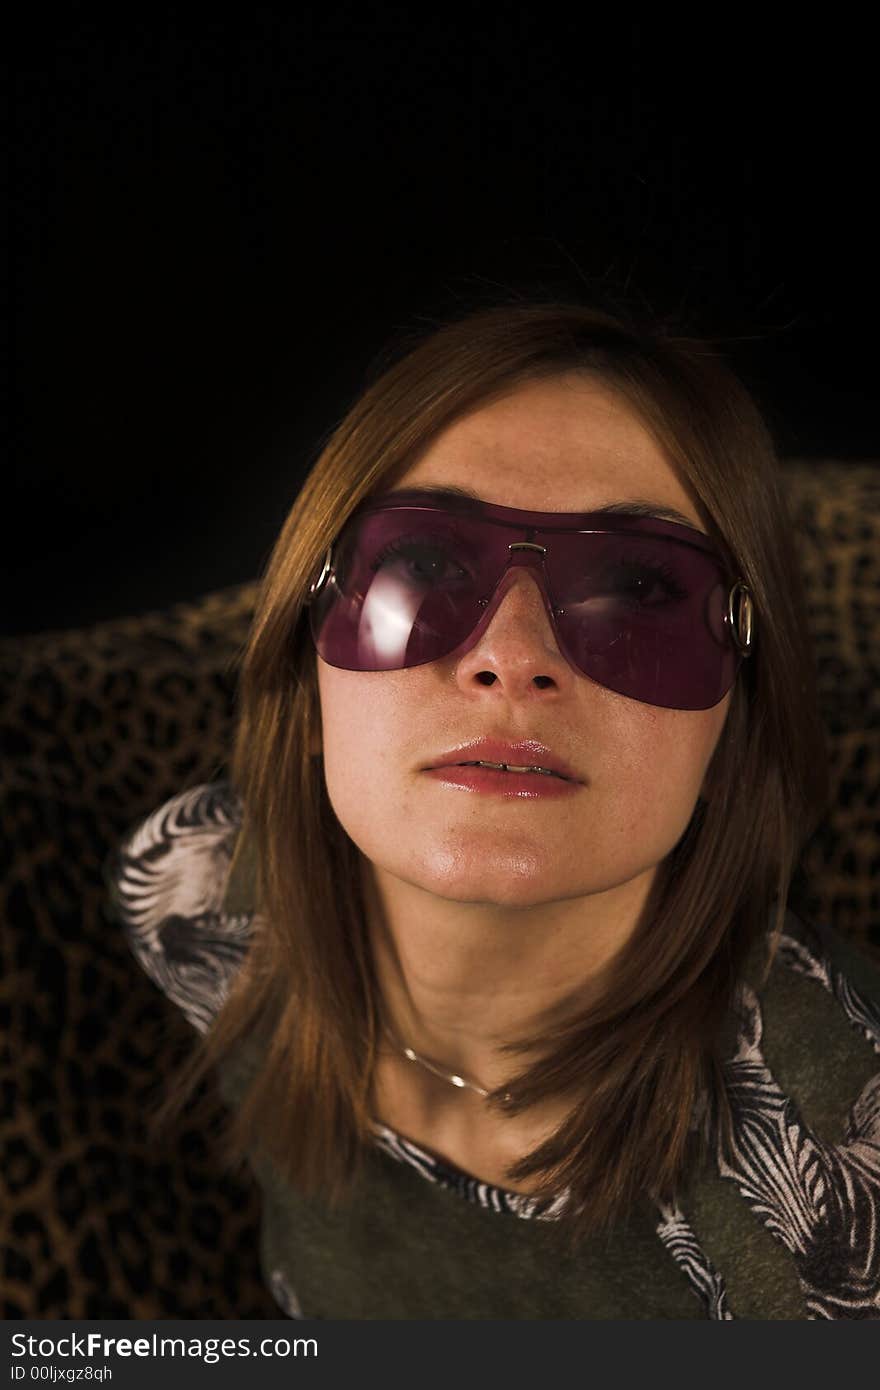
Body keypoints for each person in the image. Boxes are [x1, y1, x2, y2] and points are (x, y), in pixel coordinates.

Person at [107, 295, 880, 1319]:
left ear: (732, 728)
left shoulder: (830, 1163)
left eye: (640, 590)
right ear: (304, 687)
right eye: (421, 566)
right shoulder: (200, 902)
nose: (512, 658)